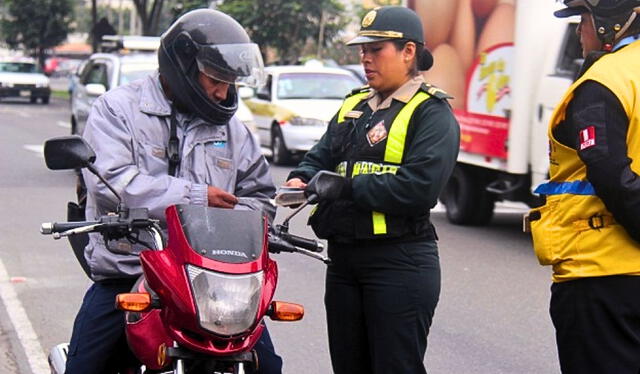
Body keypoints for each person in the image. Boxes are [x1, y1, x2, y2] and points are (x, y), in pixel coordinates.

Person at [65, 9, 282, 374]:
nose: (223, 91)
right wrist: (198, 197)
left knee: (268, 366)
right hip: (130, 270)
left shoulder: (233, 131)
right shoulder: (118, 111)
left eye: (230, 82)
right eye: (215, 78)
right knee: (86, 366)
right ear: (181, 66)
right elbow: (113, 186)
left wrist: (250, 216)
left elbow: (260, 196)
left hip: (211, 284)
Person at [284, 6, 459, 374]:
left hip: (398, 260)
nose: (365, 58)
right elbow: (320, 156)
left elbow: (420, 189)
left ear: (408, 52)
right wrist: (302, 177)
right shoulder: (354, 104)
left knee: (395, 367)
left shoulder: (431, 112)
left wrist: (344, 187)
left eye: (376, 49)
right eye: (362, 50)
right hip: (344, 259)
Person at [528, 1, 640, 373]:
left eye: (584, 20)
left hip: (601, 277)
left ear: (616, 22)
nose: (579, 31)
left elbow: (611, 176)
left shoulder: (604, 81)